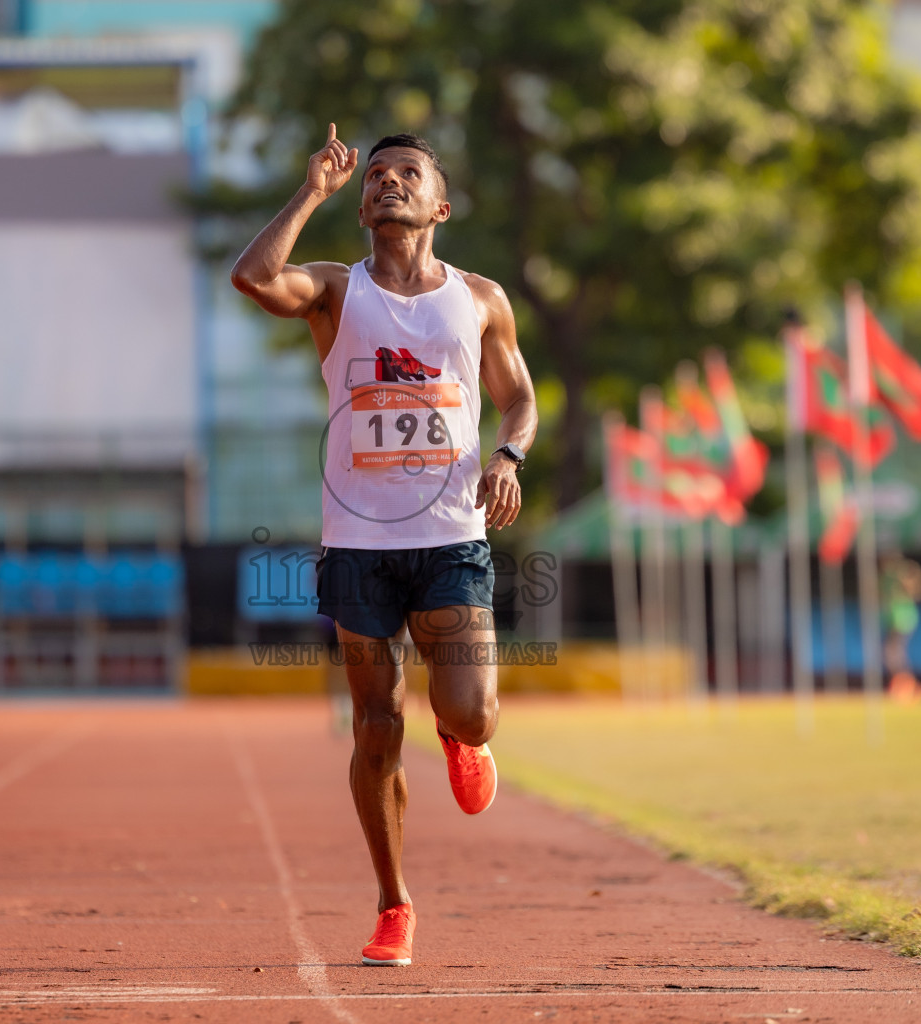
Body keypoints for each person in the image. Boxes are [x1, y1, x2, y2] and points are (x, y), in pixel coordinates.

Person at [231, 124, 537, 967]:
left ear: (440, 205)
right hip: (358, 541)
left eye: (407, 173)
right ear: (362, 206)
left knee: (470, 709)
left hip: (451, 536)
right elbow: (253, 277)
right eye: (375, 177)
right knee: (374, 727)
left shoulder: (480, 298)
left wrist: (509, 456)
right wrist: (311, 191)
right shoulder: (336, 289)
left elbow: (519, 399)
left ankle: (462, 736)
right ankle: (394, 903)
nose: (387, 183)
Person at [880, 553, 921, 704]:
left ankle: (907, 688)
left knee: (894, 655)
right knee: (892, 655)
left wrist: (908, 580)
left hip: (903, 621)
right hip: (893, 621)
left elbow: (920, 590)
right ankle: (904, 687)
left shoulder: (903, 573)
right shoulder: (887, 578)